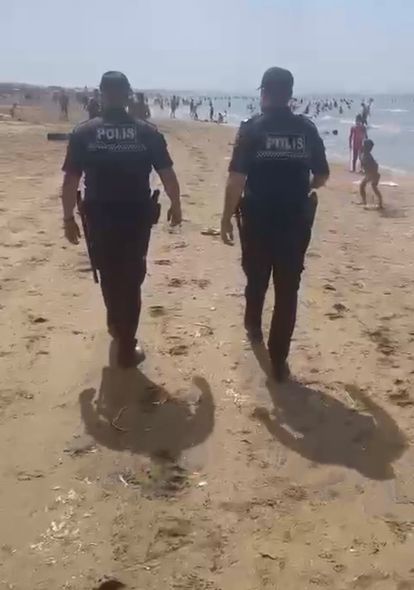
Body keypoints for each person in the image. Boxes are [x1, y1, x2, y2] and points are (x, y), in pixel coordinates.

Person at [60, 71, 182, 368]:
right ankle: (126, 344)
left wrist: (67, 218)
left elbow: (70, 181)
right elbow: (167, 174)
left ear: (101, 94)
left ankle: (117, 326)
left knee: (109, 272)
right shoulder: (147, 132)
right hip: (135, 216)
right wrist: (176, 204)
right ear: (128, 95)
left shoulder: (84, 132)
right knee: (132, 276)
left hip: (99, 215)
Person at [220, 67, 329, 381]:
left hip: (257, 218)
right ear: (290, 95)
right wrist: (306, 183)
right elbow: (322, 175)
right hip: (294, 220)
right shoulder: (306, 129)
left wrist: (226, 217)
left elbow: (236, 180)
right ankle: (278, 361)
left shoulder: (252, 129)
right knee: (287, 288)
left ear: (264, 93)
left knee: (256, 277)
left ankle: (253, 326)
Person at [360, 139, 383, 209]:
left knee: (367, 186)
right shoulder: (366, 154)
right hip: (371, 174)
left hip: (372, 174)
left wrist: (371, 174)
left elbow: (374, 166)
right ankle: (366, 201)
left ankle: (379, 203)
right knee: (367, 186)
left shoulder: (367, 156)